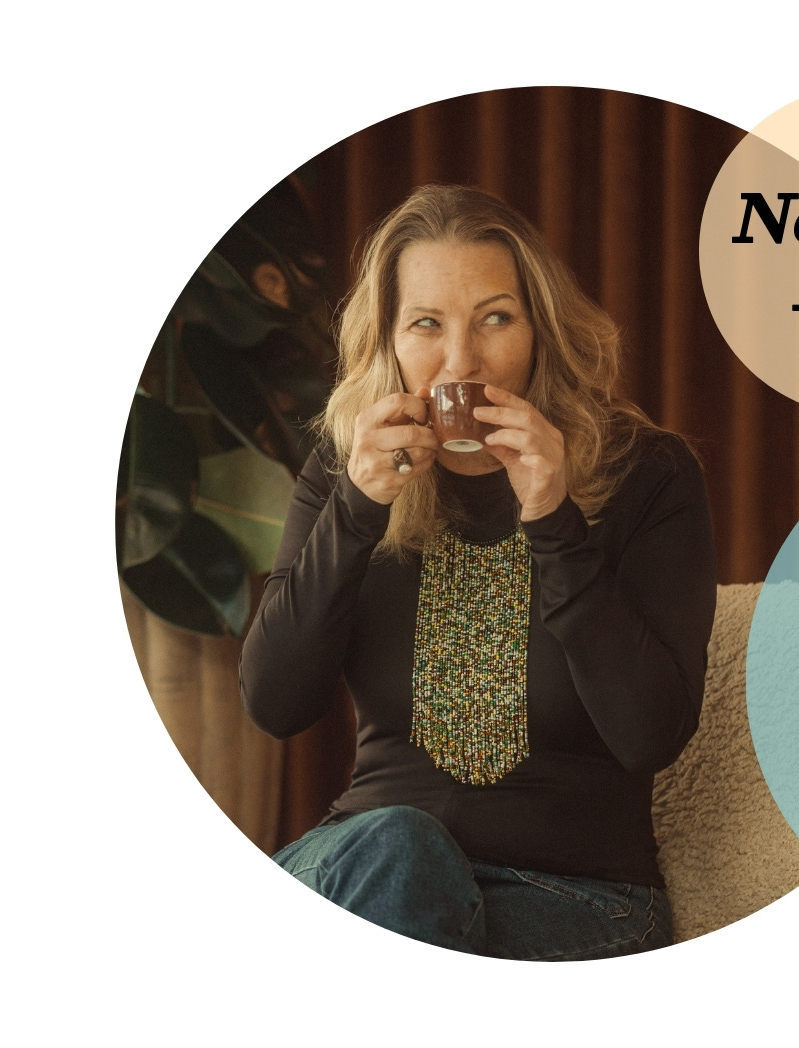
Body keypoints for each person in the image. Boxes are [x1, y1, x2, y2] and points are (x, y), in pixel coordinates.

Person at [240, 184, 718, 961]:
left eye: (496, 319)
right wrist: (358, 509)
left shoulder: (646, 474)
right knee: (399, 850)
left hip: (570, 895)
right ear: (387, 340)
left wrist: (556, 519)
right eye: (426, 324)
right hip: (366, 865)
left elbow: (650, 734)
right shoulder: (347, 465)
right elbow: (275, 701)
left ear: (540, 329)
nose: (461, 361)